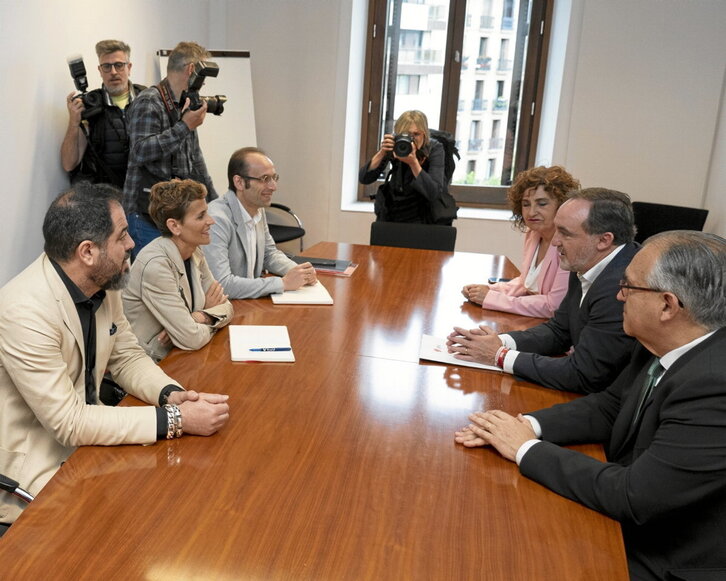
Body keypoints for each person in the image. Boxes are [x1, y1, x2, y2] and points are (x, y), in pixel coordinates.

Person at [455, 231, 726, 580]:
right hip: (632, 515)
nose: (618, 294)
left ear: (667, 305)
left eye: (628, 286)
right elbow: (609, 407)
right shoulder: (660, 343)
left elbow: (635, 496)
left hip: (665, 557)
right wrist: (525, 424)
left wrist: (525, 448)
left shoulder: (714, 385)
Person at [0, 182, 229, 527]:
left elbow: (127, 357)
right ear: (88, 252)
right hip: (37, 463)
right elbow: (69, 423)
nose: (132, 243)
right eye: (122, 236)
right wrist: (176, 420)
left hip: (90, 438)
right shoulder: (23, 309)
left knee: (179, 502)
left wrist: (171, 395)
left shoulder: (104, 282)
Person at [447, 188, 639, 394]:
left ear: (604, 240)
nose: (555, 241)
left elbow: (584, 374)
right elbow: (559, 331)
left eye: (565, 233)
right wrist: (498, 342)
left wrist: (499, 355)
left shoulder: (622, 286)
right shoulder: (587, 260)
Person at [124, 41, 218, 257]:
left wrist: (215, 203)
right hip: (145, 215)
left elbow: (195, 159)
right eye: (203, 77)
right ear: (192, 70)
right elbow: (140, 151)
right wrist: (184, 126)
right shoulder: (149, 101)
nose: (203, 85)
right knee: (153, 280)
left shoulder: (184, 104)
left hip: (171, 215)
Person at [123, 179, 233, 361]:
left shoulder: (194, 250)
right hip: (153, 362)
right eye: (201, 216)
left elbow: (227, 307)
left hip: (181, 355)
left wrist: (200, 317)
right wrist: (206, 316)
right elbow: (192, 338)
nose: (211, 221)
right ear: (174, 226)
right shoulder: (155, 265)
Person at [461, 165, 580, 318]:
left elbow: (553, 306)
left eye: (542, 203)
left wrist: (492, 298)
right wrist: (489, 290)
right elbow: (525, 284)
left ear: (562, 204)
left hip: (555, 330)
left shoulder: (569, 244)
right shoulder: (533, 234)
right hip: (530, 321)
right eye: (526, 204)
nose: (531, 212)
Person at [203, 147, 317, 299]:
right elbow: (222, 285)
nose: (273, 186)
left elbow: (269, 254)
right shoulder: (216, 219)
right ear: (239, 182)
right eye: (264, 179)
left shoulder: (256, 208)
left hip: (249, 301)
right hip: (227, 306)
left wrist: (299, 272)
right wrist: (282, 283)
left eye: (274, 178)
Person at [61, 39, 145, 188]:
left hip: (142, 193)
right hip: (105, 196)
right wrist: (74, 122)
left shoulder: (147, 99)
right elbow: (69, 164)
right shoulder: (90, 106)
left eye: (119, 65)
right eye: (107, 66)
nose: (113, 72)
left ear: (129, 68)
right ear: (100, 71)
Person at [359, 110, 447, 224]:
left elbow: (434, 193)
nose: (411, 139)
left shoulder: (434, 148)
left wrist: (413, 163)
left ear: (424, 134)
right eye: (406, 134)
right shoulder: (396, 144)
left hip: (421, 215)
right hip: (392, 211)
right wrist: (382, 152)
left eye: (416, 134)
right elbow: (364, 178)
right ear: (398, 134)